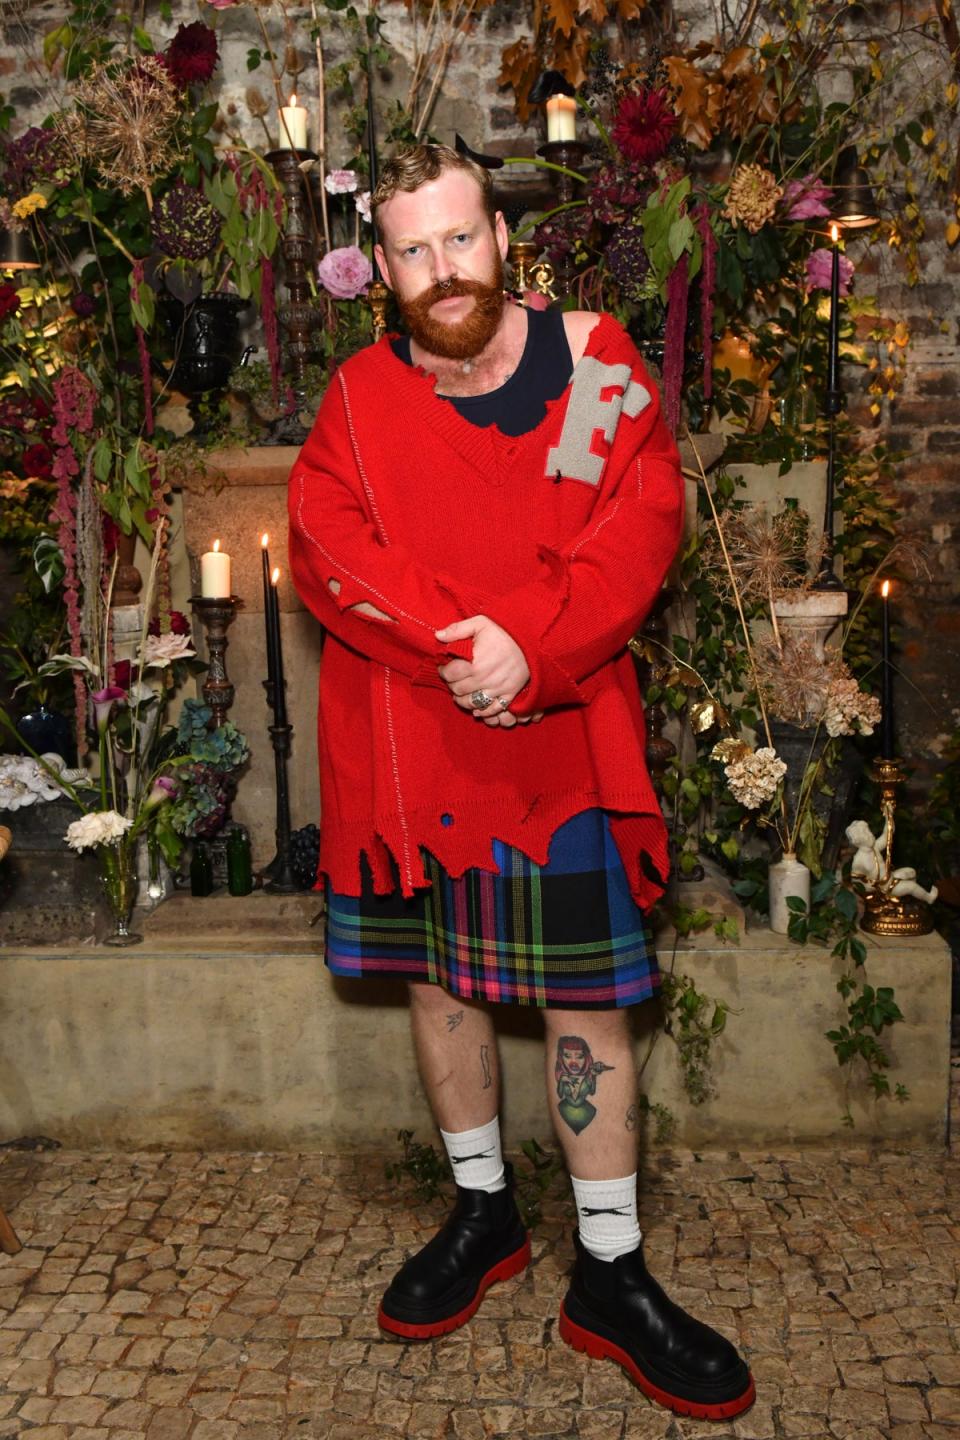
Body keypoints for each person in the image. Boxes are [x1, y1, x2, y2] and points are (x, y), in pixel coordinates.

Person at [288, 142, 754, 1422]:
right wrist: (466, 647)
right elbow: (325, 545)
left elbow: (639, 523)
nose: (443, 271)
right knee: (441, 984)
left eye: (460, 238)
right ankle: (484, 1212)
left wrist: (531, 647)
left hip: (561, 749)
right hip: (421, 754)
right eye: (412, 250)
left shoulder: (598, 364)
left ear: (504, 234)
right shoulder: (357, 400)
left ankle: (609, 1274)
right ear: (379, 268)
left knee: (587, 1008)